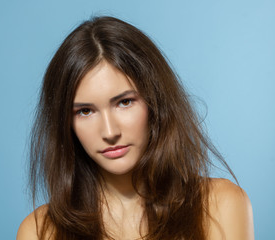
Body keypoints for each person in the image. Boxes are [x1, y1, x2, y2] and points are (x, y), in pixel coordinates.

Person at [17, 16, 254, 240]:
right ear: (65, 123)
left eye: (124, 102)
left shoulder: (220, 204)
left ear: (155, 102)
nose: (110, 132)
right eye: (85, 111)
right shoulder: (40, 231)